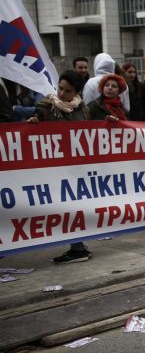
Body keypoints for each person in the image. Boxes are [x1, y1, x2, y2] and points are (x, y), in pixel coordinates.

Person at [27, 71, 92, 263]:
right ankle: (77, 247)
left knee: (74, 207)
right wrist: (34, 121)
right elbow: (37, 116)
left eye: (68, 91)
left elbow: (93, 129)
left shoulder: (83, 109)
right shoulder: (48, 106)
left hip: (76, 167)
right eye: (60, 88)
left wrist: (110, 123)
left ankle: (78, 248)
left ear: (77, 92)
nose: (62, 93)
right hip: (54, 168)